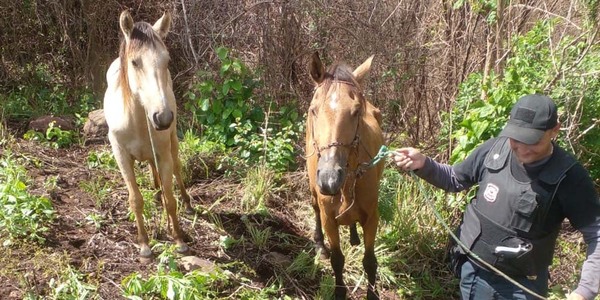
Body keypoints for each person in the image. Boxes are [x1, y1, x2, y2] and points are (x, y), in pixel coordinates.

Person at [390, 94, 600, 300]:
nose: (523, 149)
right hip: (474, 273)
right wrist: (424, 164)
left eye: (532, 141)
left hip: (522, 287)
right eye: (516, 139)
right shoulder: (494, 149)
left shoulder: (570, 176)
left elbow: (596, 234)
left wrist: (583, 292)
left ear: (555, 130)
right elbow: (455, 178)